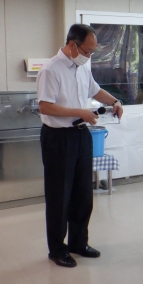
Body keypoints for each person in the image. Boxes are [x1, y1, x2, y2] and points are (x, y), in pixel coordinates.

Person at [37, 23, 124, 268]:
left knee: (83, 194)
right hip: (58, 138)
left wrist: (115, 101)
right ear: (72, 44)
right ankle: (57, 250)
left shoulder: (82, 67)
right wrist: (80, 112)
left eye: (92, 52)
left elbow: (95, 91)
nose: (89, 56)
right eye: (87, 51)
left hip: (81, 135)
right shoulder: (51, 69)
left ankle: (78, 243)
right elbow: (45, 106)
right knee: (59, 196)